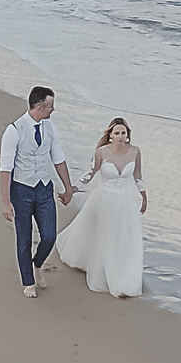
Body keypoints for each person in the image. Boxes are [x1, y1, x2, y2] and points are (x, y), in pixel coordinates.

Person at [0, 86, 76, 298]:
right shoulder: (14, 130)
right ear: (40, 106)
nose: (53, 109)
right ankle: (28, 282)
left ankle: (38, 263)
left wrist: (68, 188)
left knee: (49, 236)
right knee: (23, 239)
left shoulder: (50, 127)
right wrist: (6, 202)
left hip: (44, 189)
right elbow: (6, 168)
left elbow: (58, 158)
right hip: (21, 190)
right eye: (51, 106)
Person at [55, 116, 147, 298]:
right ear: (110, 135)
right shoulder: (102, 152)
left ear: (128, 135)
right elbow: (90, 174)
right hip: (104, 200)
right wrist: (73, 189)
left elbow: (137, 176)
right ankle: (103, 270)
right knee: (106, 235)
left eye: (123, 133)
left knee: (124, 237)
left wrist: (144, 197)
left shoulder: (135, 152)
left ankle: (123, 272)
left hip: (126, 202)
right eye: (117, 133)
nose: (120, 136)